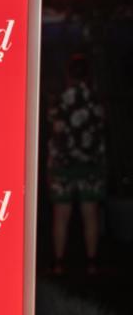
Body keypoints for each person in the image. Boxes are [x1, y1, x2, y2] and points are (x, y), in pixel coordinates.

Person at [47, 53, 106, 275]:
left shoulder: (59, 100)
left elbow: (54, 131)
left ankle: (59, 263)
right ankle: (91, 262)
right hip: (90, 165)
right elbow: (101, 133)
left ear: (68, 74)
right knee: (90, 213)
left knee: (61, 214)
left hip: (63, 165)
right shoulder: (95, 100)